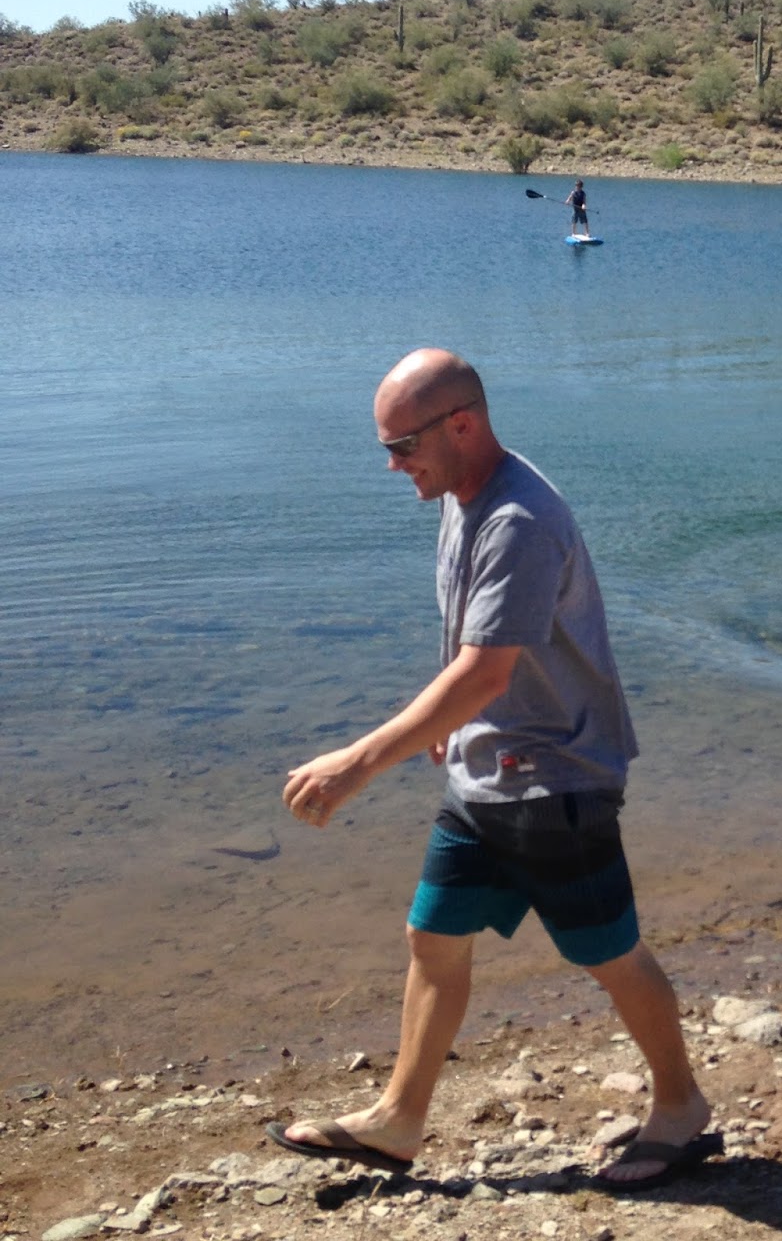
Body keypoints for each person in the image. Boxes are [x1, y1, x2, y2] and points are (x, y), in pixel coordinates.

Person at [267, 349, 714, 1192]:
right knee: (433, 938)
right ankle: (399, 1118)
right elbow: (473, 645)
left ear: (462, 426)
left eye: (402, 447)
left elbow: (486, 672)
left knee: (610, 954)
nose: (394, 466)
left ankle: (682, 1106)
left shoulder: (519, 520)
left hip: (556, 782)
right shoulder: (460, 492)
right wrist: (448, 724)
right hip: (484, 776)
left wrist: (358, 762)